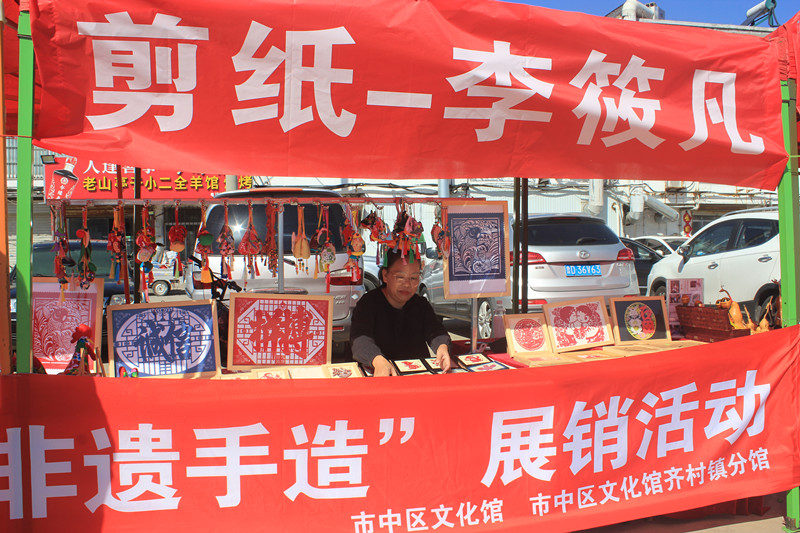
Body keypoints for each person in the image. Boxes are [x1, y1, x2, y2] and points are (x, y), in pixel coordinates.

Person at [350, 249, 452, 376]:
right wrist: (377, 360)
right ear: (385, 275)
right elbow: (360, 340)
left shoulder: (420, 304)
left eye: (413, 278)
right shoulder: (368, 303)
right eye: (400, 277)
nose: (407, 284)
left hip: (416, 376)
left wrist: (442, 347)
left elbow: (436, 331)